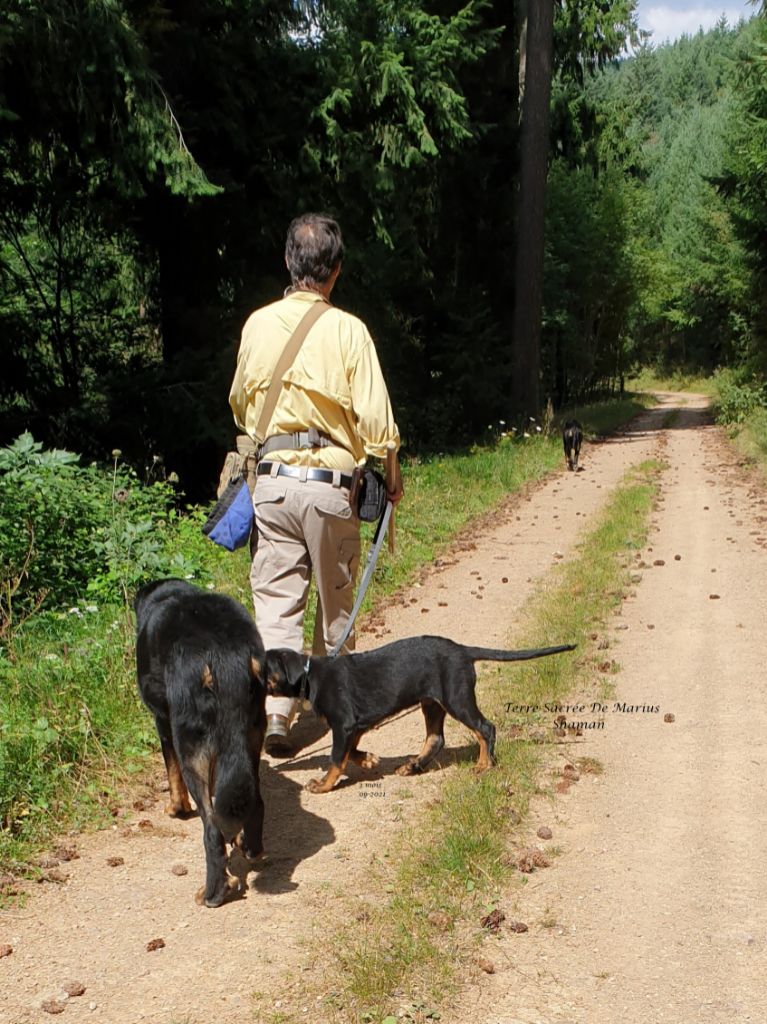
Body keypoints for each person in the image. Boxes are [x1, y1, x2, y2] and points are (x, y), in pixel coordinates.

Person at [229, 213, 403, 755]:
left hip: (273, 485)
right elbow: (378, 426)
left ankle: (277, 713)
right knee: (337, 607)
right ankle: (340, 716)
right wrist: (393, 481)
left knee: (277, 605)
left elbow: (239, 403)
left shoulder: (257, 324)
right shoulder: (349, 330)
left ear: (288, 262)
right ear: (336, 272)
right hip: (332, 489)